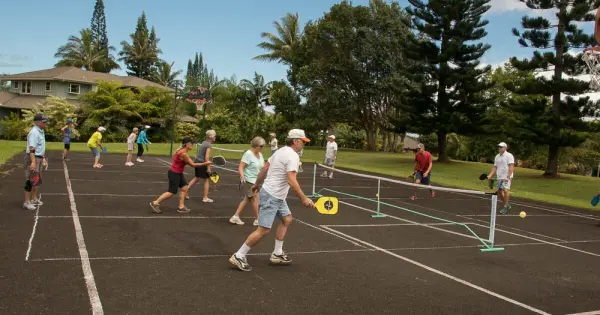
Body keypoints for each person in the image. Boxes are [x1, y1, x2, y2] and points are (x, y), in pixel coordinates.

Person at [229, 129, 315, 272]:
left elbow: (264, 168)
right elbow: (291, 180)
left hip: (275, 195)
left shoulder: (280, 151)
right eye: (303, 142)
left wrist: (257, 184)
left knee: (287, 219)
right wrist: (303, 198)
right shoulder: (293, 156)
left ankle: (277, 253)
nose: (304, 145)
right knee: (263, 229)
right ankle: (239, 255)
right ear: (296, 141)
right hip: (273, 196)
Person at [149, 137, 212, 214]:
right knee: (171, 192)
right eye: (192, 143)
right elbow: (193, 164)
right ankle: (155, 203)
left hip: (178, 173)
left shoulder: (180, 151)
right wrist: (206, 163)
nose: (193, 145)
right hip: (174, 173)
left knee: (185, 187)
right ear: (188, 144)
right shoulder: (183, 154)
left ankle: (181, 207)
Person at [229, 137, 266, 226]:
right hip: (249, 180)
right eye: (261, 146)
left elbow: (263, 167)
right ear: (256, 145)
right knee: (254, 199)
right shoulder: (248, 154)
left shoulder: (260, 155)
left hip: (256, 181)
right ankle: (258, 220)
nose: (262, 148)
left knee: (247, 199)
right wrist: (242, 177)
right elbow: (241, 167)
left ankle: (235, 217)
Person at [23, 114, 48, 211]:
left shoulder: (41, 131)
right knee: (29, 179)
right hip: (32, 158)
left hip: (38, 157)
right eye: (44, 121)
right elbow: (32, 149)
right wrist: (33, 162)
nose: (45, 123)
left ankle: (33, 199)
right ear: (38, 122)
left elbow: (40, 146)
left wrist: (43, 157)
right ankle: (26, 202)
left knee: (36, 179)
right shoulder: (34, 132)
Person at [186, 129, 216, 203]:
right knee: (206, 180)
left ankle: (185, 191)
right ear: (211, 137)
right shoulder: (208, 145)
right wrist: (208, 167)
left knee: (197, 178)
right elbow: (206, 158)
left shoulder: (204, 142)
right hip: (202, 163)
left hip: (197, 162)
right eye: (214, 136)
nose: (215, 137)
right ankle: (205, 198)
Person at [487, 142, 515, 214]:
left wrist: (508, 177)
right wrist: (490, 175)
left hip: (507, 176)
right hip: (499, 176)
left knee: (505, 190)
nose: (499, 148)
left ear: (505, 148)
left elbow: (511, 167)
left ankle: (505, 207)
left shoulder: (509, 155)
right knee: (499, 192)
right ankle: (507, 205)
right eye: (499, 147)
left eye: (501, 147)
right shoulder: (497, 156)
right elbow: (495, 167)